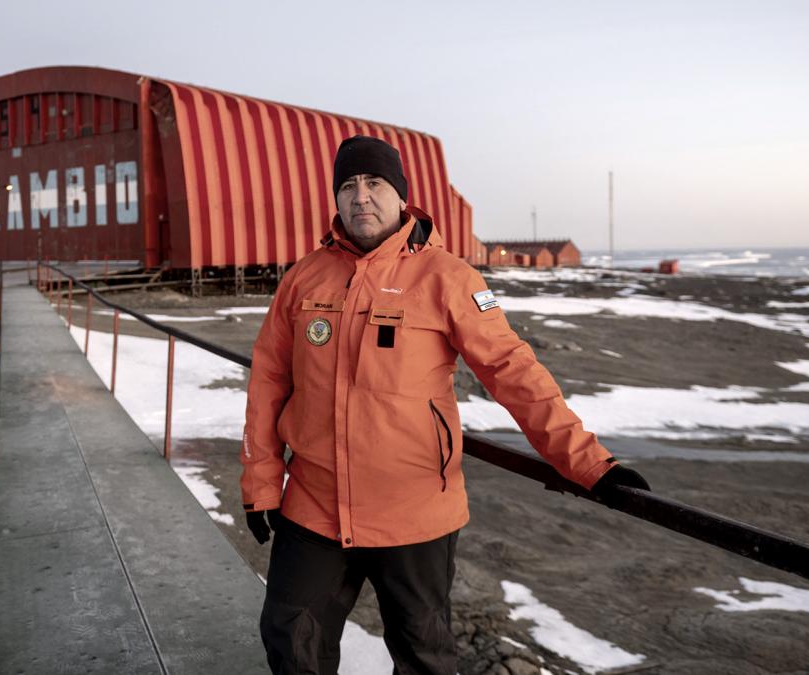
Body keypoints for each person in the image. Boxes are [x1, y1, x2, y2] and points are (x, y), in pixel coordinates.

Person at [241, 136, 649, 674]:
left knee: (423, 655)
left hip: (414, 510)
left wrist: (588, 463)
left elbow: (513, 372)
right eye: (347, 185)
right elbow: (270, 380)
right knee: (291, 639)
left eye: (374, 183)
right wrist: (263, 482)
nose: (360, 197)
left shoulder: (447, 277)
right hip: (314, 503)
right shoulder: (304, 278)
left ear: (402, 196)